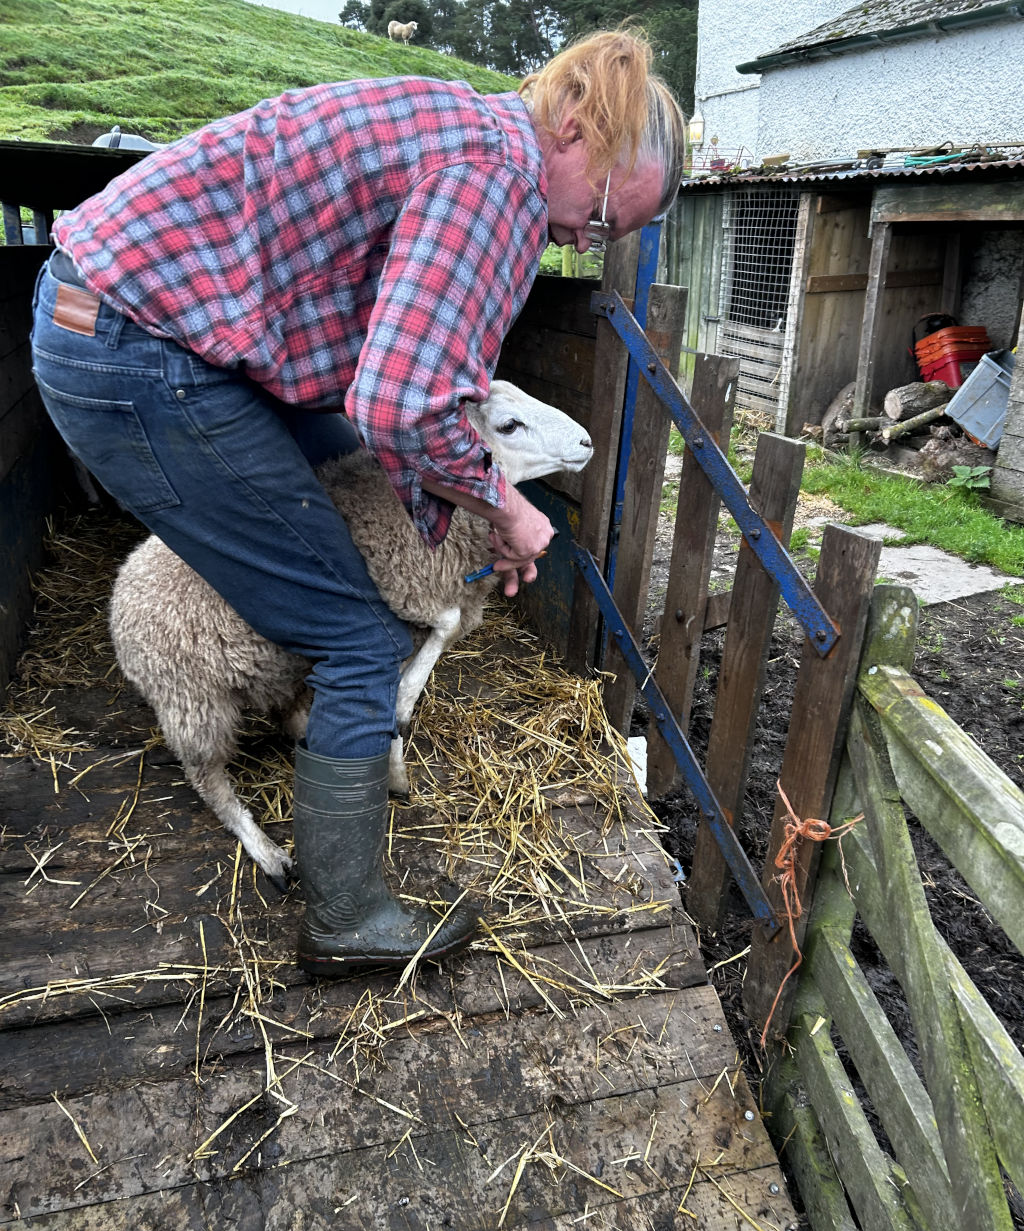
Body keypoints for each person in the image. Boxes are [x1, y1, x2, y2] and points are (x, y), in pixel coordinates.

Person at [30, 29, 687, 978]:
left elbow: (390, 395)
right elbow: (405, 401)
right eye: (599, 218)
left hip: (142, 323)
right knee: (355, 631)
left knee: (346, 485)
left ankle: (309, 704)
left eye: (608, 240)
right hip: (134, 346)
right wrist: (506, 507)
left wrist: (464, 495)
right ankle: (343, 916)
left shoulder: (480, 142)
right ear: (579, 129)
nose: (586, 241)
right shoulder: (495, 182)